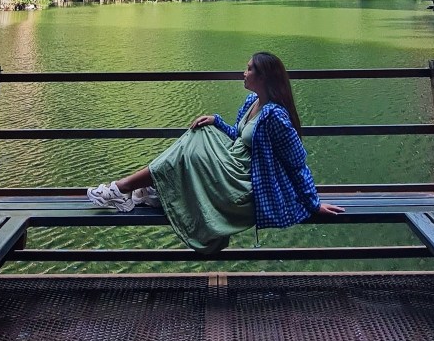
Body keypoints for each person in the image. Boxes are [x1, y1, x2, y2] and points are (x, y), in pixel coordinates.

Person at [86, 51, 344, 252]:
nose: (244, 73)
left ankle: (123, 189)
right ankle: (139, 190)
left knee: (191, 150)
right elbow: (241, 136)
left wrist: (313, 204)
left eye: (249, 69)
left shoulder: (275, 116)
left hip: (244, 183)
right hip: (232, 164)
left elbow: (297, 163)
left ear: (263, 76)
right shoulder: (252, 102)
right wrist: (217, 121)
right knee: (198, 135)